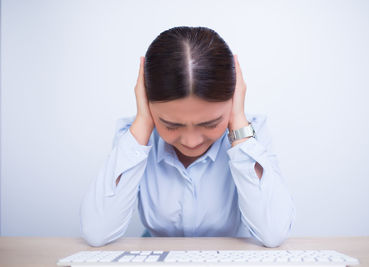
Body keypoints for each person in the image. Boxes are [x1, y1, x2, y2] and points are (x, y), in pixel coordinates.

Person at [80, 26, 295, 248]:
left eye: (210, 123)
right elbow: (97, 233)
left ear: (234, 97)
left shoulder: (251, 135)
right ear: (146, 100)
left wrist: (239, 125)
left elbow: (273, 234)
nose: (191, 142)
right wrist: (143, 122)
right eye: (171, 124)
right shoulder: (135, 138)